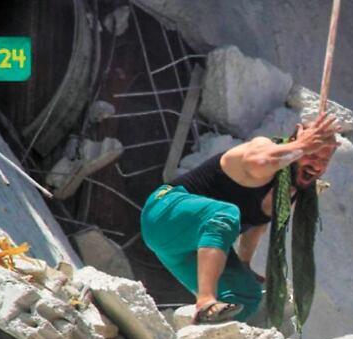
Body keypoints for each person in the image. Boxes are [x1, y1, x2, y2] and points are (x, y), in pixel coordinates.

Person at [140, 114, 340, 325]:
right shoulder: (263, 147)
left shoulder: (287, 192)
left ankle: (205, 338)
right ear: (293, 142)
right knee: (226, 213)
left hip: (182, 247)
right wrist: (302, 146)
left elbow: (257, 226)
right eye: (311, 155)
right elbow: (261, 161)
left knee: (246, 294)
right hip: (164, 211)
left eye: (323, 160)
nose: (317, 165)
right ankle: (205, 300)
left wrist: (244, 264)